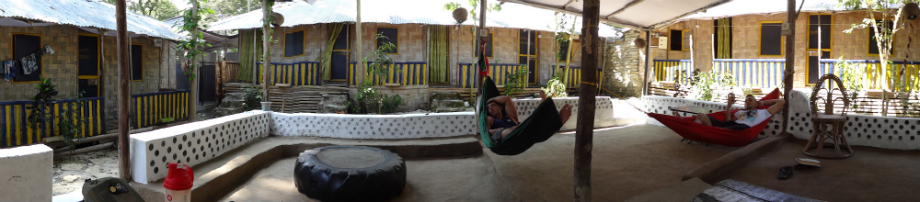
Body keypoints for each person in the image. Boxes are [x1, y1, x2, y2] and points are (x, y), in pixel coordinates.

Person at [486, 91, 573, 142]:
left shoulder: (511, 117)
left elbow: (507, 99)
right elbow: (488, 131)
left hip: (521, 130)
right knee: (516, 129)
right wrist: (501, 130)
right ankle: (554, 120)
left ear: (500, 107)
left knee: (529, 124)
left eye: (493, 105)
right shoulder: (490, 119)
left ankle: (557, 122)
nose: (490, 108)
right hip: (502, 135)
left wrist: (491, 99)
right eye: (489, 108)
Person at [692, 93, 785, 130]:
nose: (747, 102)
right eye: (746, 101)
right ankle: (691, 128)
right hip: (731, 126)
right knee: (700, 115)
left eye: (750, 100)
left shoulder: (763, 112)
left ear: (756, 103)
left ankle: (706, 133)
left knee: (721, 130)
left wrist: (761, 103)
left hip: (743, 128)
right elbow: (727, 122)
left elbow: (782, 102)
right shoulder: (739, 112)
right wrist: (728, 106)